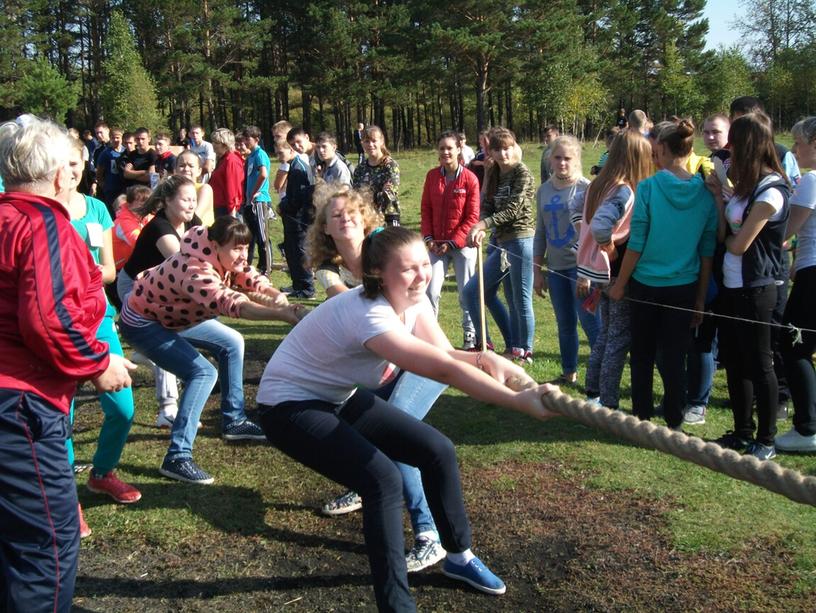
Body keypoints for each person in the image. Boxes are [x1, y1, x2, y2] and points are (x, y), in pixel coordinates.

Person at [257, 225, 558, 611]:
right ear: (379, 273)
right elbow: (444, 372)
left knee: (437, 449)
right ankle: (397, 606)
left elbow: (447, 355)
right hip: (288, 407)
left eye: (423, 264)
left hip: (337, 395)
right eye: (408, 269)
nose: (421, 275)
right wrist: (520, 403)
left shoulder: (411, 302)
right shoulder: (371, 316)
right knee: (383, 480)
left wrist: (490, 361)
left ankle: (459, 557)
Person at [0, 115, 134, 613]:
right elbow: (47, 319)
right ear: (60, 174)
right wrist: (99, 364)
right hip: (20, 407)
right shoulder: (43, 223)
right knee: (47, 545)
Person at [307, 184, 451, 571]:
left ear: (365, 215)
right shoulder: (329, 269)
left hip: (426, 357)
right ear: (326, 229)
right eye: (334, 215)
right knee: (365, 430)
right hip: (384, 361)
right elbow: (346, 302)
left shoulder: (386, 250)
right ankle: (362, 485)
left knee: (398, 436)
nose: (345, 218)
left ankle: (430, 535)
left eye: (351, 210)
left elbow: (409, 311)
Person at [119, 217, 303, 484]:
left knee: (233, 342)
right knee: (203, 373)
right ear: (215, 245)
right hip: (143, 322)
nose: (242, 255)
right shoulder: (195, 270)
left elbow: (244, 273)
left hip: (174, 317)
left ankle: (234, 420)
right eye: (236, 249)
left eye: (245, 247)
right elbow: (232, 304)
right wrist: (281, 315)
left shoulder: (216, 247)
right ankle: (177, 457)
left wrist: (273, 293)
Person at [608, 120, 718, 430]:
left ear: (665, 150)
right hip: (684, 287)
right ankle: (674, 418)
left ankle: (642, 417)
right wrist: (699, 299)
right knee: (674, 357)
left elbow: (638, 242)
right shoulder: (706, 192)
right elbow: (706, 251)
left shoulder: (648, 187)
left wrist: (620, 284)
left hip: (645, 285)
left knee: (642, 353)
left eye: (656, 152)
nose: (653, 157)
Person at [64, 138, 142, 534]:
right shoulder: (46, 213)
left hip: (98, 316)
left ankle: (102, 473)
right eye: (66, 163)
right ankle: (65, 499)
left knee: (123, 408)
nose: (73, 170)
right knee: (64, 413)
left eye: (78, 162)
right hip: (61, 321)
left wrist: (84, 276)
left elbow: (110, 269)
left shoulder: (95, 208)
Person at [709, 113, 791, 460]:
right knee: (735, 360)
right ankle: (741, 431)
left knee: (760, 364)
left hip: (758, 288)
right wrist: (719, 197)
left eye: (734, 144)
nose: (728, 150)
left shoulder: (772, 191)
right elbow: (723, 233)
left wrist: (731, 235)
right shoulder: (743, 187)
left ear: (749, 146)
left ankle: (766, 439)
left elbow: (739, 244)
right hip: (731, 285)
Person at [575, 130, 652, 410]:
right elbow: (599, 225)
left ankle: (593, 390)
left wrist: (589, 247)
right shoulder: (624, 190)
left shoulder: (598, 184)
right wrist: (609, 248)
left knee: (606, 334)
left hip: (596, 271)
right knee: (618, 339)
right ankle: (608, 401)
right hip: (616, 272)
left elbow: (576, 211)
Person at [119, 176, 203, 428]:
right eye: (186, 199)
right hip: (132, 286)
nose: (191, 205)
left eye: (194, 200)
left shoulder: (193, 223)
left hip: (165, 289)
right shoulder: (160, 228)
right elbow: (184, 266)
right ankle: (167, 409)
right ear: (167, 201)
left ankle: (143, 350)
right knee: (165, 336)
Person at [463, 128, 536, 363]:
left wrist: (484, 224)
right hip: (501, 242)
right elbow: (488, 204)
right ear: (491, 152)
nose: (504, 153)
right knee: (473, 291)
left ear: (514, 147)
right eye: (498, 149)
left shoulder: (522, 173)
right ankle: (491, 344)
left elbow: (513, 210)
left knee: (519, 297)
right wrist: (482, 223)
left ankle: (524, 350)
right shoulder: (494, 172)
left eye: (508, 148)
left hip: (521, 239)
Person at [533, 135, 599, 385]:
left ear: (577, 160)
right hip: (556, 267)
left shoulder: (586, 188)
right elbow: (540, 232)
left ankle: (600, 375)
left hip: (582, 268)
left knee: (591, 323)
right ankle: (569, 371)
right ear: (550, 159)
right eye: (557, 157)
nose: (562, 163)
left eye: (567, 158)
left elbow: (593, 232)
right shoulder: (544, 190)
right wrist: (538, 270)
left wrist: (587, 271)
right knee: (565, 323)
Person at [775, 117, 816, 452]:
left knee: (793, 346)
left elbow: (787, 229)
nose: (795, 150)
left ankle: (807, 428)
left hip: (813, 275)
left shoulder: (812, 180)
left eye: (799, 144)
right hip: (807, 269)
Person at [421, 130, 480, 349]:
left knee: (466, 293)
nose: (445, 152)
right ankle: (429, 336)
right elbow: (426, 209)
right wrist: (429, 239)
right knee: (430, 291)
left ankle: (470, 336)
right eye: (442, 148)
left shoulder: (470, 179)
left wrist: (453, 242)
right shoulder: (432, 176)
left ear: (458, 150)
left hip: (462, 245)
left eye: (449, 148)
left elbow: (473, 216)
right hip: (435, 245)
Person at [353, 125, 401, 226]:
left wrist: (368, 195)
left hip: (387, 218)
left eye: (374, 141)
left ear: (381, 141)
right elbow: (355, 197)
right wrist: (378, 192)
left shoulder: (390, 165)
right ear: (362, 143)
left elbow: (389, 195)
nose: (370, 144)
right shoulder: (359, 169)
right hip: (365, 218)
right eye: (366, 141)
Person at [242, 125, 274, 276]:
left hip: (259, 200)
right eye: (244, 138)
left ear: (256, 139)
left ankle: (267, 267)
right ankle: (260, 265)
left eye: (248, 139)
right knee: (253, 235)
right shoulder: (251, 156)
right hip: (250, 202)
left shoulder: (260, 154)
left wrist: (255, 192)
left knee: (263, 236)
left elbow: (264, 174)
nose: (245, 142)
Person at [113, 185, 153, 272]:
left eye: (148, 201)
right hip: (120, 272)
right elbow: (141, 243)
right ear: (130, 204)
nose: (146, 205)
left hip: (136, 267)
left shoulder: (143, 216)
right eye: (142, 202)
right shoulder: (124, 222)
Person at [209, 128, 245, 218]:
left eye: (216, 143)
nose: (213, 145)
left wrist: (232, 212)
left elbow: (233, 187)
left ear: (225, 145)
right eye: (213, 142)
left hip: (227, 209)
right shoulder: (223, 159)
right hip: (219, 207)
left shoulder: (231, 160)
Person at [175, 149, 214, 226]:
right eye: (182, 166)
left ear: (199, 171)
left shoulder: (204, 189)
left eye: (191, 166)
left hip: (202, 235)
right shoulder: (172, 191)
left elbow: (194, 217)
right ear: (175, 170)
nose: (186, 169)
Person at [95, 126, 126, 214]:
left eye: (118, 137)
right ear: (110, 138)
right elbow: (99, 172)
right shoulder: (105, 153)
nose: (115, 140)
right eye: (113, 138)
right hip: (111, 190)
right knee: (113, 213)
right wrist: (104, 185)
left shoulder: (125, 151)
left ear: (121, 138)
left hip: (124, 188)